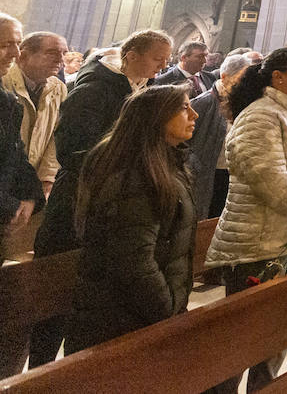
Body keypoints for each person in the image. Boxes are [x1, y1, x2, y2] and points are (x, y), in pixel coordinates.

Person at [30, 28, 172, 366]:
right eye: (158, 58)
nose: (164, 66)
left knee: (85, 298)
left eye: (167, 59)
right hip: (77, 205)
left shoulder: (142, 87)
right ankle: (38, 373)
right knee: (56, 295)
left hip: (108, 205)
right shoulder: (96, 85)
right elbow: (73, 149)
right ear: (132, 55)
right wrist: (127, 167)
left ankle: (68, 373)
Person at [205, 47, 287, 392]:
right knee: (241, 339)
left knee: (280, 333)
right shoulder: (258, 116)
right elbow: (272, 183)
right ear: (277, 76)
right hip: (257, 243)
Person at [65, 84, 198, 354]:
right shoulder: (135, 175)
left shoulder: (164, 164)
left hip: (137, 317)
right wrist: (167, 309)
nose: (194, 114)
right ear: (157, 116)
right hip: (119, 322)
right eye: (184, 107)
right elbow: (133, 260)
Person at [2, 30, 69, 197]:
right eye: (52, 53)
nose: (60, 60)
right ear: (23, 55)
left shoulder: (58, 88)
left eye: (64, 54)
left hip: (32, 183)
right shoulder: (4, 81)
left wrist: (47, 177)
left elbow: (56, 134)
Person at [0, 14, 43, 263]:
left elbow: (15, 152)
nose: (16, 53)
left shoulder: (6, 101)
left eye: (18, 43)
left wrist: (29, 195)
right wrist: (8, 207)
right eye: (5, 45)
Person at [186, 53, 250, 220]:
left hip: (233, 173)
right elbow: (186, 142)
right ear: (224, 77)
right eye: (241, 78)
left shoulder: (244, 101)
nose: (246, 84)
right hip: (208, 173)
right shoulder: (203, 103)